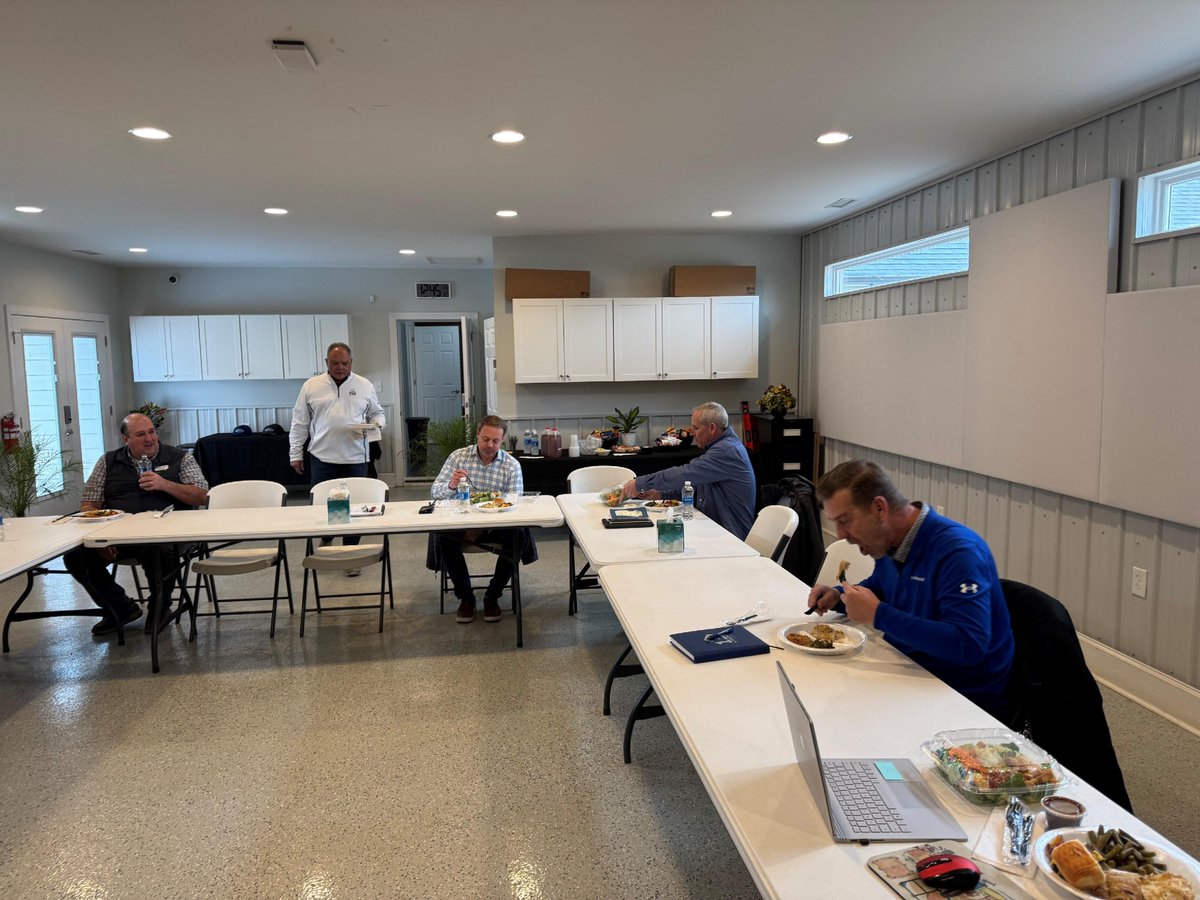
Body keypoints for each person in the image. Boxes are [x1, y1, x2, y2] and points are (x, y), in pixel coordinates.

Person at [807, 459, 1014, 719]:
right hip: (907, 673)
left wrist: (878, 615)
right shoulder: (889, 541)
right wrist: (840, 596)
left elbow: (969, 644)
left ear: (879, 508)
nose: (840, 534)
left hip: (960, 701)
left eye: (845, 521)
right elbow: (883, 586)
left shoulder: (958, 552)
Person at [63, 413, 209, 635]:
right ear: (126, 439)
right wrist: (98, 537)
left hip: (169, 534)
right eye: (141, 434)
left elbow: (201, 496)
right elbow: (89, 503)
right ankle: (120, 607)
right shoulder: (107, 462)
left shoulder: (180, 458)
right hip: (120, 535)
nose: (149, 438)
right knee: (76, 556)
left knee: (158, 550)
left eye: (152, 432)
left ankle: (159, 607)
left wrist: (165, 484)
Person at [289, 342, 385, 559]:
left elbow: (377, 413)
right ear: (326, 363)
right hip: (322, 457)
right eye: (335, 363)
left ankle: (350, 553)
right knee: (324, 506)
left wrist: (377, 424)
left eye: (344, 363)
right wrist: (295, 454)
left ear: (351, 362)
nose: (340, 367)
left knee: (355, 507)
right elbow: (299, 423)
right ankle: (327, 536)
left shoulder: (364, 385)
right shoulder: (311, 386)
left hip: (356, 457)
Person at [431, 416, 523, 624]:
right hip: (460, 523)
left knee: (519, 536)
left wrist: (480, 528)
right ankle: (466, 598)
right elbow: (435, 492)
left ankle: (493, 595)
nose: (490, 445)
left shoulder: (511, 465)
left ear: (503, 441)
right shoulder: (458, 457)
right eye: (485, 439)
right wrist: (452, 484)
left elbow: (516, 505)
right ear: (477, 436)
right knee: (444, 538)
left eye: (496, 441)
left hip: (496, 524)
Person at [619, 401, 755, 539]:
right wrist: (661, 494)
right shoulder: (720, 447)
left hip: (730, 537)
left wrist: (640, 483)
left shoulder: (726, 451)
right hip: (715, 530)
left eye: (696, 428)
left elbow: (684, 474)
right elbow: (695, 487)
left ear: (712, 428)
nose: (692, 433)